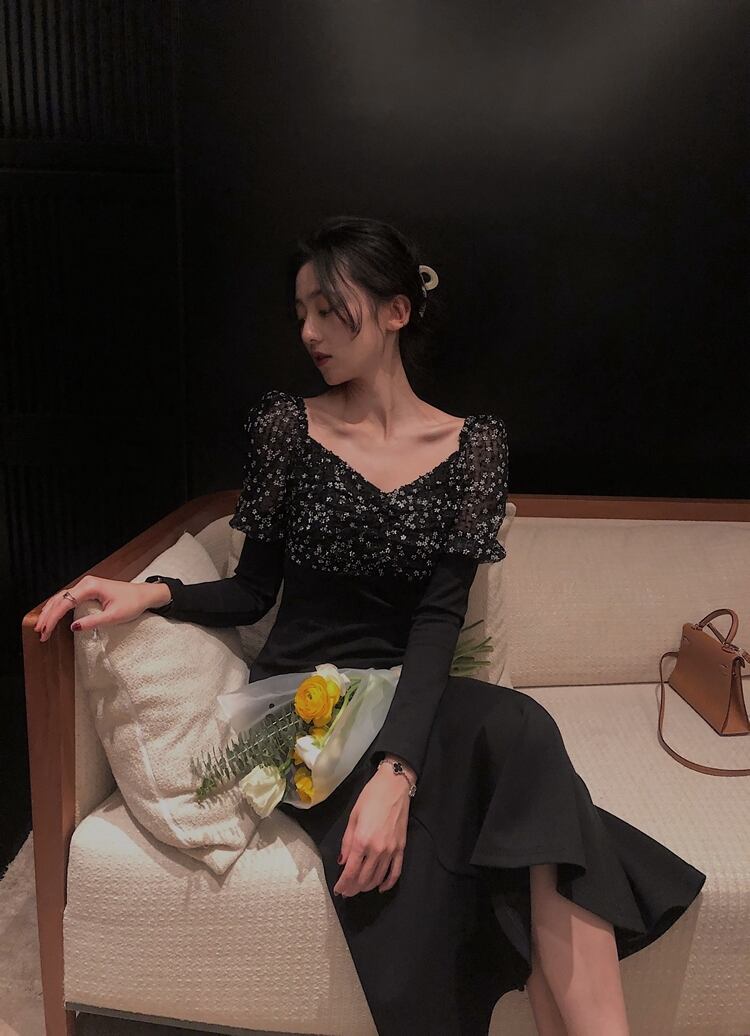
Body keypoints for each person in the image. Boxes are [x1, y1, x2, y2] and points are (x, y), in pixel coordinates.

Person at [36, 215, 706, 1036]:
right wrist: (153, 594)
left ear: (395, 311)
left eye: (329, 309)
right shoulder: (287, 427)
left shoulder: (474, 447)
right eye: (301, 313)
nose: (309, 333)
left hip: (412, 699)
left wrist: (399, 772)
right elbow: (252, 590)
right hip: (306, 708)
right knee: (530, 821)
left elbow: (438, 621)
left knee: (523, 730)